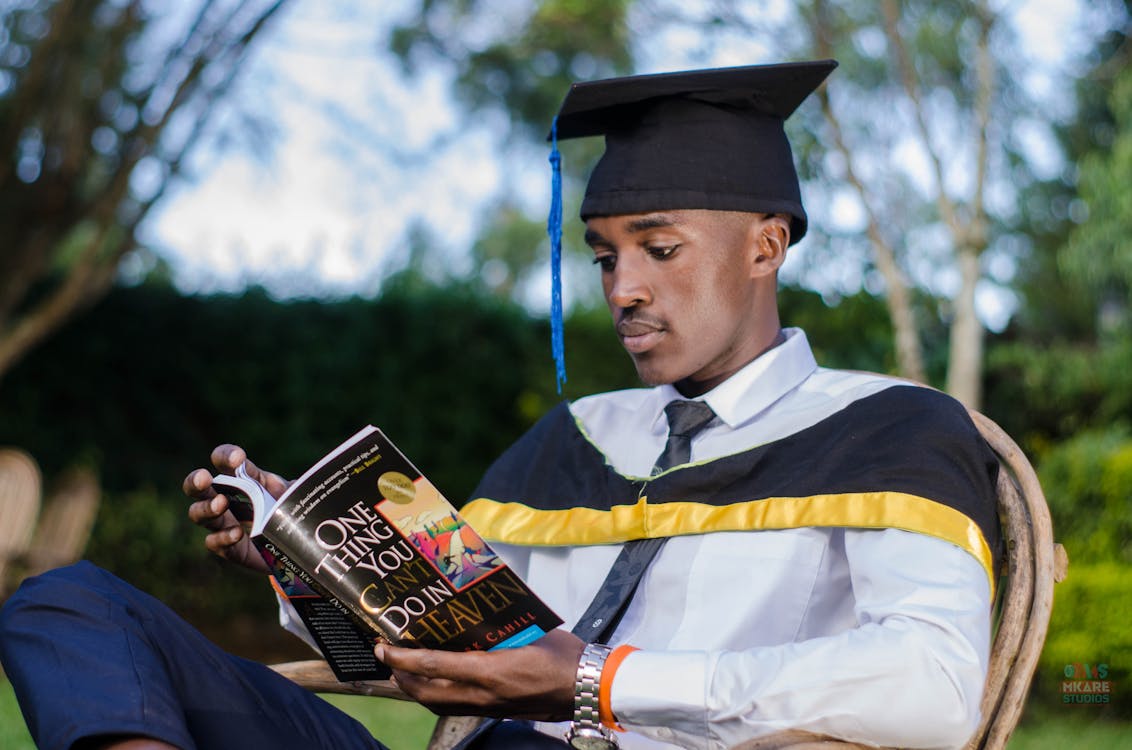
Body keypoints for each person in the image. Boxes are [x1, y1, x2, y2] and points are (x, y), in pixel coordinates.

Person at [0, 60, 1000, 750]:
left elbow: (932, 684)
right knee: (64, 602)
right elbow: (436, 643)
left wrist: (597, 679)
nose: (622, 289)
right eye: (604, 256)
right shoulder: (576, 437)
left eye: (659, 247)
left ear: (766, 243)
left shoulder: (891, 430)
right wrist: (305, 560)